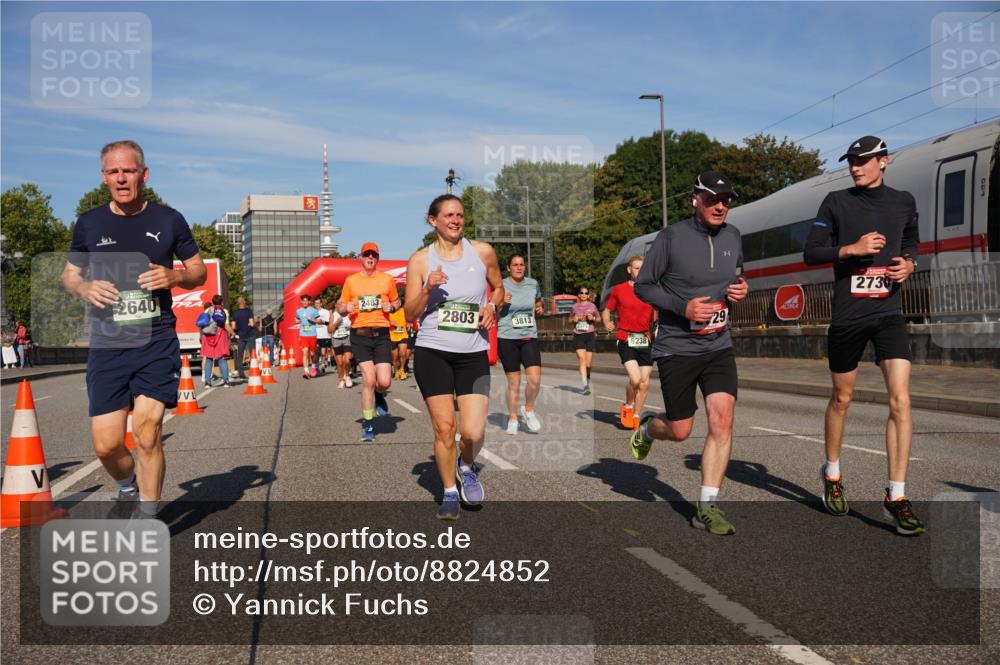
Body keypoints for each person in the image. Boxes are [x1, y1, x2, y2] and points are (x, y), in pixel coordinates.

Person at [61, 139, 206, 520]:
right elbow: (70, 275)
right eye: (113, 171)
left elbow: (198, 271)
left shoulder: (168, 219)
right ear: (104, 177)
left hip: (156, 338)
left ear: (144, 174)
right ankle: (127, 485)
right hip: (108, 343)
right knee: (107, 446)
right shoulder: (89, 223)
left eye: (128, 170)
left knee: (146, 433)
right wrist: (84, 286)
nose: (121, 178)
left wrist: (174, 276)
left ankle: (147, 517)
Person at [803, 135, 923, 536]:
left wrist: (909, 263)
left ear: (883, 161)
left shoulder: (903, 201)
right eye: (851, 161)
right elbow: (811, 252)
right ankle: (833, 472)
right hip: (849, 317)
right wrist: (851, 249)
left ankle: (897, 494)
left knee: (901, 401)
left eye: (863, 160)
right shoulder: (837, 202)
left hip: (888, 313)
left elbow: (911, 240)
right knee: (842, 398)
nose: (855, 166)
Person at [631, 170, 748, 535]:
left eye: (726, 199)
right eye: (712, 199)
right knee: (681, 430)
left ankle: (707, 506)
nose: (720, 206)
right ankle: (650, 428)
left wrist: (741, 290)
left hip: (717, 345)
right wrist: (683, 308)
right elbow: (644, 287)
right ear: (695, 199)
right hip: (677, 348)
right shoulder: (671, 237)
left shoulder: (733, 236)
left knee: (722, 419)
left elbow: (737, 277)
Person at [404, 194, 504, 519]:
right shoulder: (420, 260)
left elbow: (499, 288)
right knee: (445, 427)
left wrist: (491, 306)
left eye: (459, 215)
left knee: (473, 432)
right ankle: (449, 491)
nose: (455, 220)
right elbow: (408, 314)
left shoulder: (483, 252)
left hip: (473, 352)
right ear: (433, 220)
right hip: (433, 351)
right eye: (448, 215)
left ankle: (467, 465)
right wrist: (426, 290)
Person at [337, 242, 401, 442]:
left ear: (378, 258)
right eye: (367, 255)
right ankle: (368, 425)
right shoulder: (351, 281)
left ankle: (380, 395)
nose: (370, 258)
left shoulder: (387, 279)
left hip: (381, 334)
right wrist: (344, 307)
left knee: (384, 381)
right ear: (361, 258)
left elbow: (398, 302)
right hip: (360, 335)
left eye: (373, 255)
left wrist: (392, 307)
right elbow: (339, 306)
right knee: (369, 380)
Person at [602, 256, 655, 430]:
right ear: (629, 270)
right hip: (626, 338)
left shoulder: (651, 289)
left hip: (645, 339)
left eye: (642, 268)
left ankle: (637, 416)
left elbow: (658, 311)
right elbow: (607, 310)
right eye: (636, 268)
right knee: (635, 378)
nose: (639, 271)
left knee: (645, 382)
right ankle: (628, 405)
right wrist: (607, 323)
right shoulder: (619, 290)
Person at [496, 253, 544, 435]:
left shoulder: (533, 283)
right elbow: (491, 306)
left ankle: (528, 409)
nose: (518, 267)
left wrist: (539, 307)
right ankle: (513, 418)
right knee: (514, 383)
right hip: (507, 337)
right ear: (508, 268)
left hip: (529, 336)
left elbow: (538, 300)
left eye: (521, 264)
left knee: (535, 380)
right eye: (514, 265)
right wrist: (501, 302)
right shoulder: (501, 285)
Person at [569, 287, 599, 395]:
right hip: (578, 335)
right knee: (582, 359)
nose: (584, 294)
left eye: (586, 293)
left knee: (589, 364)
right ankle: (585, 385)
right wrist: (574, 319)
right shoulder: (575, 307)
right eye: (581, 293)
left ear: (588, 295)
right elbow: (570, 319)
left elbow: (599, 319)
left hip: (590, 335)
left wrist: (593, 318)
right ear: (579, 295)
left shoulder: (592, 306)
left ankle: (587, 378)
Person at [200, 296, 233, 388]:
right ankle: (226, 381)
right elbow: (226, 325)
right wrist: (233, 333)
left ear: (213, 302)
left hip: (208, 336)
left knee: (209, 358)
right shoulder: (224, 311)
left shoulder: (207, 310)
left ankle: (207, 382)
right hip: (220, 335)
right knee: (222, 358)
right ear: (221, 302)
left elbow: (202, 323)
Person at [295, 293, 322, 379]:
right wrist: (297, 321)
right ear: (301, 301)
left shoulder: (313, 310)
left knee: (312, 354)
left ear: (309, 302)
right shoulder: (298, 311)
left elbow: (320, 320)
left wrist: (312, 319)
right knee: (305, 352)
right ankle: (306, 371)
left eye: (306, 301)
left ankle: (313, 367)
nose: (305, 302)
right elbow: (296, 319)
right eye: (303, 301)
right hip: (303, 335)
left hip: (312, 335)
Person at [329, 308, 354, 388]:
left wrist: (351, 327)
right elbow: (329, 330)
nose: (341, 306)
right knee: (340, 363)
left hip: (347, 338)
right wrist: (336, 323)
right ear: (336, 306)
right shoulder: (333, 315)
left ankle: (347, 376)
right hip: (336, 340)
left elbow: (354, 325)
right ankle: (341, 379)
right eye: (339, 304)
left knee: (347, 360)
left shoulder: (349, 314)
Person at [230, 297, 254, 380]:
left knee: (240, 355)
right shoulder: (249, 311)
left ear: (237, 303)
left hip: (240, 336)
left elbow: (233, 326)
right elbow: (252, 323)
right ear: (244, 302)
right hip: (249, 335)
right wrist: (249, 324)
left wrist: (237, 328)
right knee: (252, 354)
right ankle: (254, 371)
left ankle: (241, 373)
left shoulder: (235, 313)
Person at [389, 306, 410, 380]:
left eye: (398, 302)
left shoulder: (404, 311)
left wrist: (408, 323)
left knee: (403, 353)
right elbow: (382, 321)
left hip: (403, 335)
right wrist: (389, 322)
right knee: (394, 357)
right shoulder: (388, 311)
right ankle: (396, 371)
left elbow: (409, 318)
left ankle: (402, 370)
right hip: (392, 336)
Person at [314, 296, 332, 375]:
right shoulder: (312, 312)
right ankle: (317, 367)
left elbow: (328, 323)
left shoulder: (325, 312)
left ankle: (323, 364)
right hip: (315, 335)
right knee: (317, 352)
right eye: (316, 303)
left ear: (321, 304)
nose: (317, 304)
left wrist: (321, 321)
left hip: (324, 334)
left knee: (323, 352)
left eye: (318, 303)